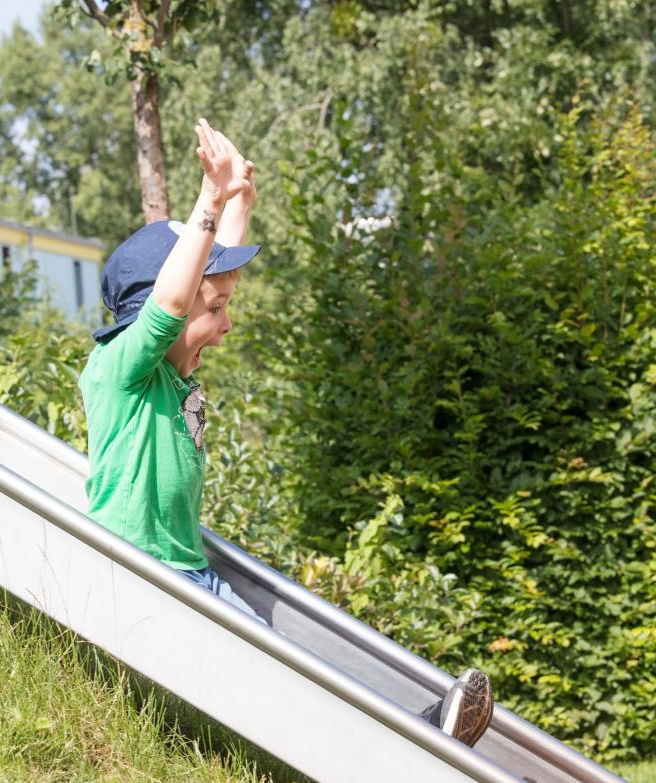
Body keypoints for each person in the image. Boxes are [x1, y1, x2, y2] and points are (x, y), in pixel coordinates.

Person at [78, 118, 494, 748]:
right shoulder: (121, 373)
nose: (227, 323)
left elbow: (205, 284)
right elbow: (172, 304)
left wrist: (241, 199)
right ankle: (405, 747)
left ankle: (413, 739)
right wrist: (207, 202)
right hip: (145, 578)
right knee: (277, 681)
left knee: (288, 664)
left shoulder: (174, 376)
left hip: (191, 572)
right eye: (214, 311)